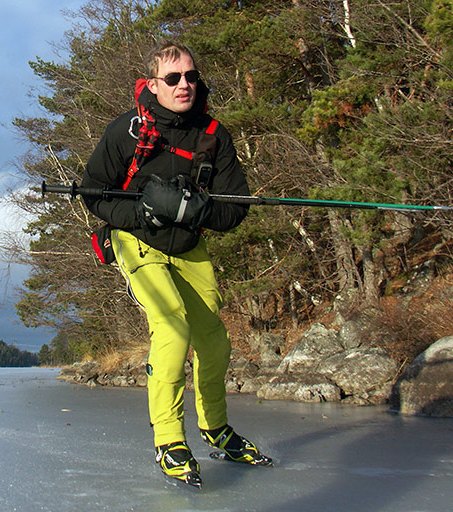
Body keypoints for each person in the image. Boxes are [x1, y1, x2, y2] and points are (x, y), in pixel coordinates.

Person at [81, 41, 272, 487]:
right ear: (153, 85)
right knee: (172, 326)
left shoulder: (213, 135)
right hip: (136, 240)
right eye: (173, 78)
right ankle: (169, 439)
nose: (184, 84)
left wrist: (196, 210)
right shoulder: (125, 132)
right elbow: (94, 192)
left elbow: (235, 208)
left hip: (188, 246)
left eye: (190, 76)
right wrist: (139, 214)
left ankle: (216, 428)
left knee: (215, 339)